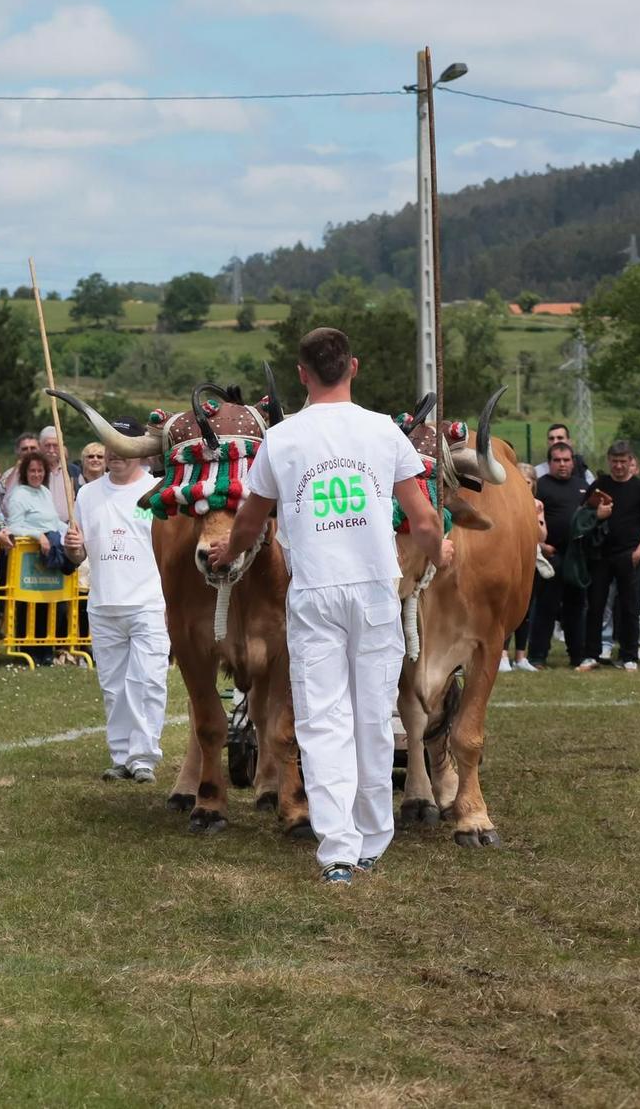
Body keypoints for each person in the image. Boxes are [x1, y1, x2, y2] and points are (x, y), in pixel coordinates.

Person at [207, 327, 449, 886]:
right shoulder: (385, 433)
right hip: (374, 588)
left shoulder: (285, 439)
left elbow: (251, 518)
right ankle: (371, 839)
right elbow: (424, 517)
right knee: (370, 714)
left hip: (314, 590)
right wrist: (443, 550)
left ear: (301, 374)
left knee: (324, 720)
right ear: (354, 367)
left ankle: (338, 849)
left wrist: (230, 549)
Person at [62, 434, 167, 782]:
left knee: (148, 680)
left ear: (138, 453)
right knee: (114, 686)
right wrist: (73, 546)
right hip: (104, 602)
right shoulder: (88, 494)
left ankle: (144, 759)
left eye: (121, 448)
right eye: (109, 448)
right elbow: (79, 556)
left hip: (148, 602)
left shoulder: (156, 491)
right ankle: (121, 756)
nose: (113, 455)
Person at [516, 444, 594, 670]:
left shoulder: (583, 486)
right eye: (557, 460)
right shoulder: (543, 487)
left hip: (576, 559)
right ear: (549, 462)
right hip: (551, 556)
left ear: (573, 462)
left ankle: (577, 656)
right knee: (545, 609)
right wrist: (542, 545)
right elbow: (532, 517)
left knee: (576, 608)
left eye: (566, 460)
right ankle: (538, 656)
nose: (562, 464)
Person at [581, 441, 640, 670]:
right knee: (595, 605)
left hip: (629, 554)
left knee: (630, 607)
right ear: (608, 461)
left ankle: (629, 656)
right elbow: (583, 517)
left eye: (623, 461)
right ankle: (591, 654)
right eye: (615, 461)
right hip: (601, 554)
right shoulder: (598, 485)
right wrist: (598, 515)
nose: (619, 466)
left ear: (631, 462)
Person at [5, 453, 74, 572]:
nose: (36, 475)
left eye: (40, 471)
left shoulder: (46, 492)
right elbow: (13, 528)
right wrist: (38, 535)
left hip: (55, 543)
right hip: (29, 555)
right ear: (25, 472)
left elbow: (54, 522)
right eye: (32, 471)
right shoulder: (18, 495)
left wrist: (72, 530)